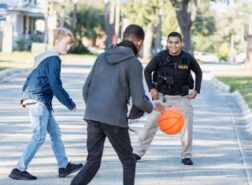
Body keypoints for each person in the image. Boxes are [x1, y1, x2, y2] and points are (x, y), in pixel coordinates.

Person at [71, 24, 165, 185]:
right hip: (114, 120)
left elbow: (86, 88)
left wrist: (94, 108)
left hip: (92, 116)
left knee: (93, 162)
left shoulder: (102, 56)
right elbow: (139, 100)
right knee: (128, 161)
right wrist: (152, 107)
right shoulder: (133, 63)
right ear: (139, 43)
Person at [9, 27, 83, 180]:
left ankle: (63, 166)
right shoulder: (53, 59)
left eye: (70, 44)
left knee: (55, 133)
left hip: (40, 101)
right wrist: (69, 103)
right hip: (38, 101)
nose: (68, 47)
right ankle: (18, 169)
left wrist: (25, 96)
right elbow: (55, 85)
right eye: (66, 43)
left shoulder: (47, 57)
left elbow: (31, 77)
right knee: (39, 136)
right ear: (57, 40)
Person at [133, 32, 203, 165]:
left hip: (181, 98)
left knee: (187, 126)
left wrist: (196, 90)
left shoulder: (187, 58)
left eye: (176, 42)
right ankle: (137, 152)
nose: (173, 45)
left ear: (181, 43)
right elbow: (147, 71)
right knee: (150, 125)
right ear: (167, 43)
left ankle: (186, 155)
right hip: (162, 98)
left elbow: (198, 72)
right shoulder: (160, 57)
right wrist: (151, 88)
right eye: (170, 42)